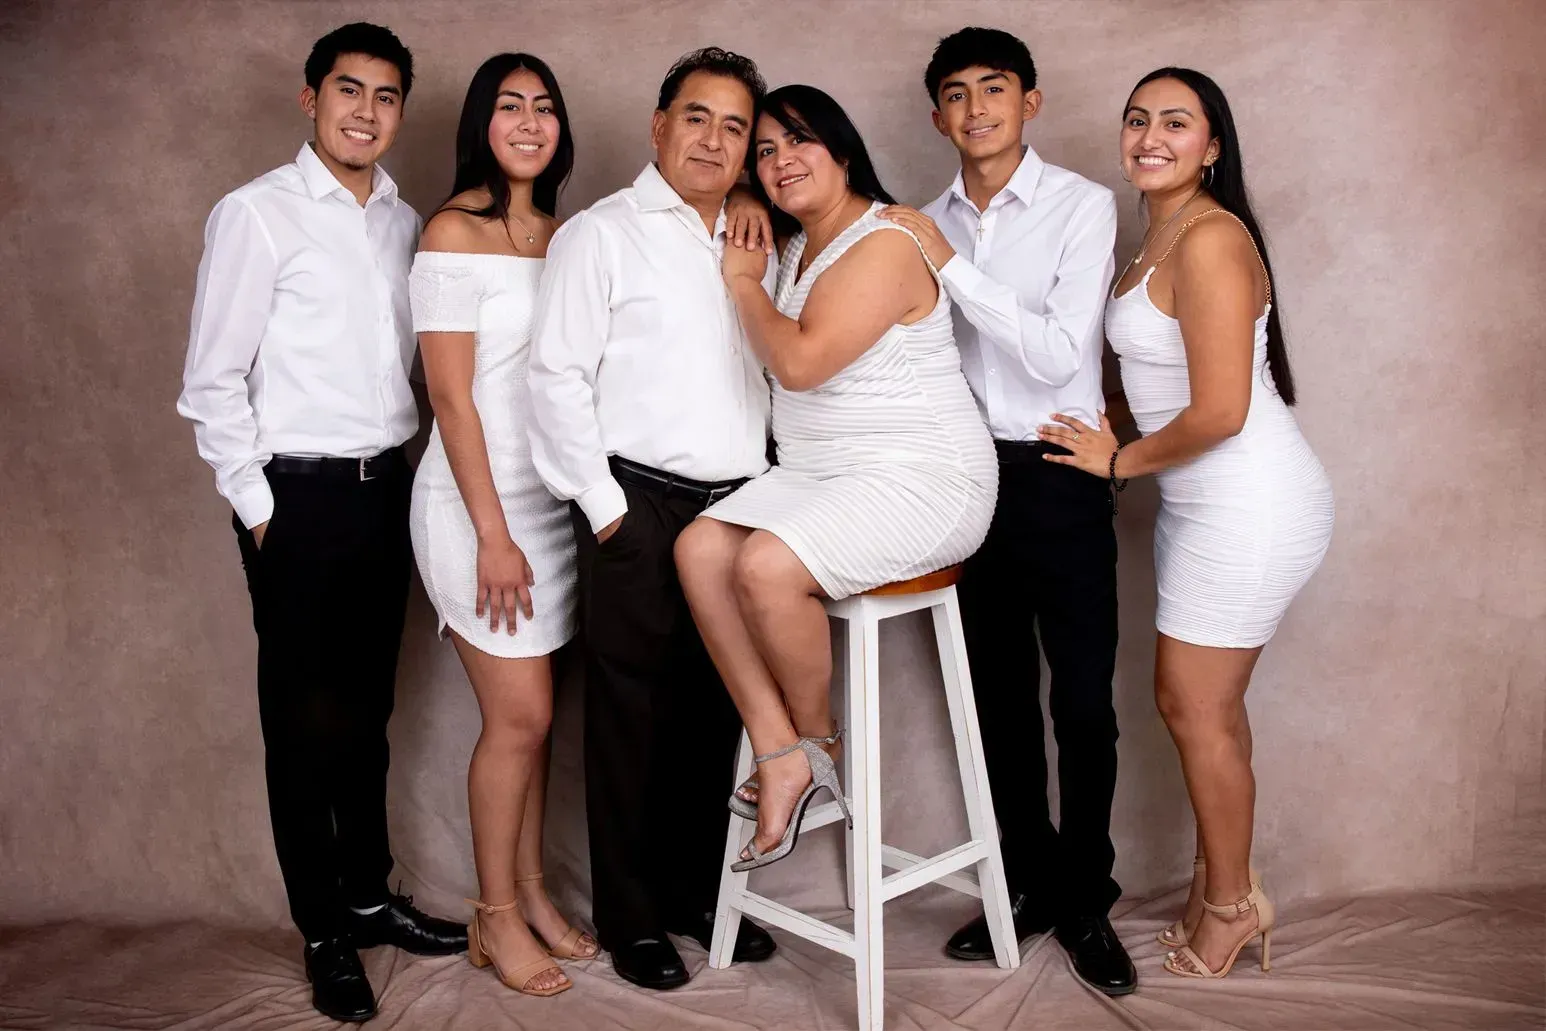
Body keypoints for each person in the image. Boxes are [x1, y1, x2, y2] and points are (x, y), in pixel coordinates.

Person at [176, 23, 465, 1024]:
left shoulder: (402, 219)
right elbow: (211, 380)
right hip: (295, 500)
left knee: (367, 713)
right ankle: (324, 929)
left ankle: (370, 893)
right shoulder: (255, 215)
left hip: (386, 489)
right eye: (349, 91)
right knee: (302, 723)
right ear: (310, 98)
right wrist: (261, 511)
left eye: (387, 96)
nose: (367, 112)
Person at [1038, 66, 1334, 980]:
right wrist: (1100, 425)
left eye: (1176, 122)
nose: (1150, 137)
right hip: (1201, 506)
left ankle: (1232, 908)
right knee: (1210, 707)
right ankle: (1225, 883)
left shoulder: (1208, 240)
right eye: (1136, 120)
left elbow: (1221, 412)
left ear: (1213, 144)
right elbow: (1157, 384)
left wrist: (1117, 460)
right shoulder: (1155, 236)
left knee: (1191, 704)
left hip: (1250, 502)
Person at [673, 83, 997, 873]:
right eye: (767, 150)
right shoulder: (791, 244)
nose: (782, 162)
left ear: (843, 150)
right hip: (820, 474)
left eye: (800, 142)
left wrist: (742, 283)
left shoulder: (885, 241)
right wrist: (750, 194)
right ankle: (778, 748)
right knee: (698, 550)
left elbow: (800, 362)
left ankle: (818, 747)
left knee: (766, 566)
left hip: (923, 475)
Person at [876, 27, 1135, 994]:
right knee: (995, 704)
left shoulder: (1080, 206)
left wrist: (948, 266)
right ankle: (1022, 884)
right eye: (956, 93)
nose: (976, 108)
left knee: (1082, 703)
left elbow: (1056, 352)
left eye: (995, 88)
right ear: (936, 114)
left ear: (1031, 99)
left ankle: (1087, 898)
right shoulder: (919, 218)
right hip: (964, 480)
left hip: (1060, 471)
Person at [526, 47, 779, 991]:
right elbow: (553, 376)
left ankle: (690, 892)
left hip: (739, 506)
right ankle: (632, 917)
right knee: (628, 714)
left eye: (735, 127)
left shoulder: (756, 237)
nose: (714, 139)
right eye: (698, 117)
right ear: (659, 125)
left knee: (711, 710)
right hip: (638, 501)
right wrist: (605, 514)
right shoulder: (602, 234)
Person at [407, 52, 595, 999]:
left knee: (542, 722)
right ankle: (494, 918)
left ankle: (532, 894)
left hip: (549, 505)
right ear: (481, 120)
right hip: (475, 506)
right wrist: (491, 529)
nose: (530, 122)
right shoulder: (452, 230)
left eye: (545, 108)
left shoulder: (562, 237)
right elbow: (449, 393)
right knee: (517, 718)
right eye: (511, 106)